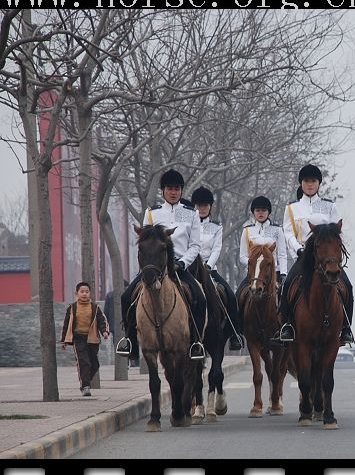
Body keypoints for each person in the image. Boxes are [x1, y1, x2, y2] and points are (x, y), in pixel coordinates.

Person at [116, 169, 206, 361]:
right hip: (154, 267)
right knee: (126, 297)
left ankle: (196, 343)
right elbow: (144, 242)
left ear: (181, 191)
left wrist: (183, 263)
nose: (173, 192)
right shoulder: (152, 213)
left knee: (200, 297)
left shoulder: (191, 214)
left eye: (177, 189)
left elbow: (195, 245)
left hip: (179, 267)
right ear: (163, 190)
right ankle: (130, 340)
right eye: (169, 188)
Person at [275, 164, 354, 345]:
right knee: (287, 284)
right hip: (303, 258)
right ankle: (287, 325)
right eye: (306, 181)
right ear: (301, 184)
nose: (310, 185)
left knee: (348, 286)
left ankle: (346, 328)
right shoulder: (292, 208)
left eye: (313, 181)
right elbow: (287, 233)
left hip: (326, 259)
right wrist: (298, 249)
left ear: (319, 184)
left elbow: (337, 233)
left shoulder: (329, 206)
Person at [191, 186, 244, 351]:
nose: (202, 209)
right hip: (190, 268)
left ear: (210, 207)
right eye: (199, 206)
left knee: (230, 295)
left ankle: (234, 334)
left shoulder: (216, 226)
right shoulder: (188, 225)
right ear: (194, 207)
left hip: (208, 268)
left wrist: (208, 265)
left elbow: (216, 249)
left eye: (205, 206)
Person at [60, 282, 110, 396]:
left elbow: (102, 321)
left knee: (94, 364)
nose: (84, 294)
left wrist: (105, 332)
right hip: (78, 339)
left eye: (86, 292)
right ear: (76, 294)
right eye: (82, 292)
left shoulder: (95, 307)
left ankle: (85, 380)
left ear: (90, 294)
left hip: (92, 339)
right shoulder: (72, 308)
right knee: (84, 362)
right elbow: (66, 324)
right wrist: (64, 340)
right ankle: (85, 386)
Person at [238, 195, 288, 296]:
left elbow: (282, 254)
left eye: (264, 210)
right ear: (253, 212)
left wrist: (283, 273)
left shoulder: (277, 229)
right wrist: (254, 263)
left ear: (268, 212)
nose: (261, 213)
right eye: (258, 210)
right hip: (253, 274)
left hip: (273, 272)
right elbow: (242, 256)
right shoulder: (247, 230)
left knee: (287, 297)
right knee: (237, 295)